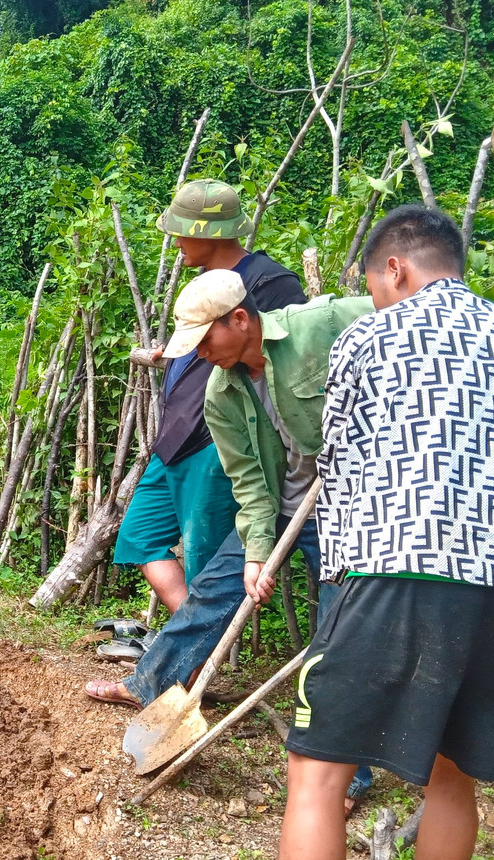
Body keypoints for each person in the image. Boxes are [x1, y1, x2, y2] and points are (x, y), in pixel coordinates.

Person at [200, 207, 494, 860]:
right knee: (452, 782)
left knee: (317, 774)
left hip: (390, 573)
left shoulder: (367, 339)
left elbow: (339, 463)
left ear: (396, 271)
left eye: (377, 286)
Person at [85, 269, 376, 804]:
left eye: (204, 340)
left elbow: (402, 314)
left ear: (240, 320)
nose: (199, 355)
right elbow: (248, 479)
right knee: (215, 589)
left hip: (350, 512)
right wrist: (257, 555)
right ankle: (150, 683)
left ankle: (348, 774)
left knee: (336, 632)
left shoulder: (325, 325)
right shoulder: (221, 391)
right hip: (283, 507)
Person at [115, 180, 307, 618]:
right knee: (140, 535)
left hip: (217, 441)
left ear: (207, 232)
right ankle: (189, 640)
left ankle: (192, 667)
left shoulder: (270, 283)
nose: (176, 241)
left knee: (204, 558)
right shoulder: (206, 282)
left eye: (182, 231)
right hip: (175, 437)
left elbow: (276, 358)